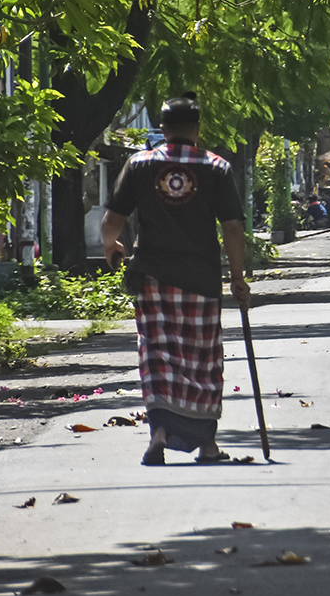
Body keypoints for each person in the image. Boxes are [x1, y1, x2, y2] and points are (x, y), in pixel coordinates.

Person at [101, 94, 251, 467]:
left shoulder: (140, 164)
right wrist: (237, 277)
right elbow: (232, 227)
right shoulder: (216, 167)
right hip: (201, 279)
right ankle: (208, 446)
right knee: (202, 360)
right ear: (197, 130)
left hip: (153, 278)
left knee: (158, 355)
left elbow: (112, 221)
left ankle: (159, 435)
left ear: (163, 129)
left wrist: (111, 245)